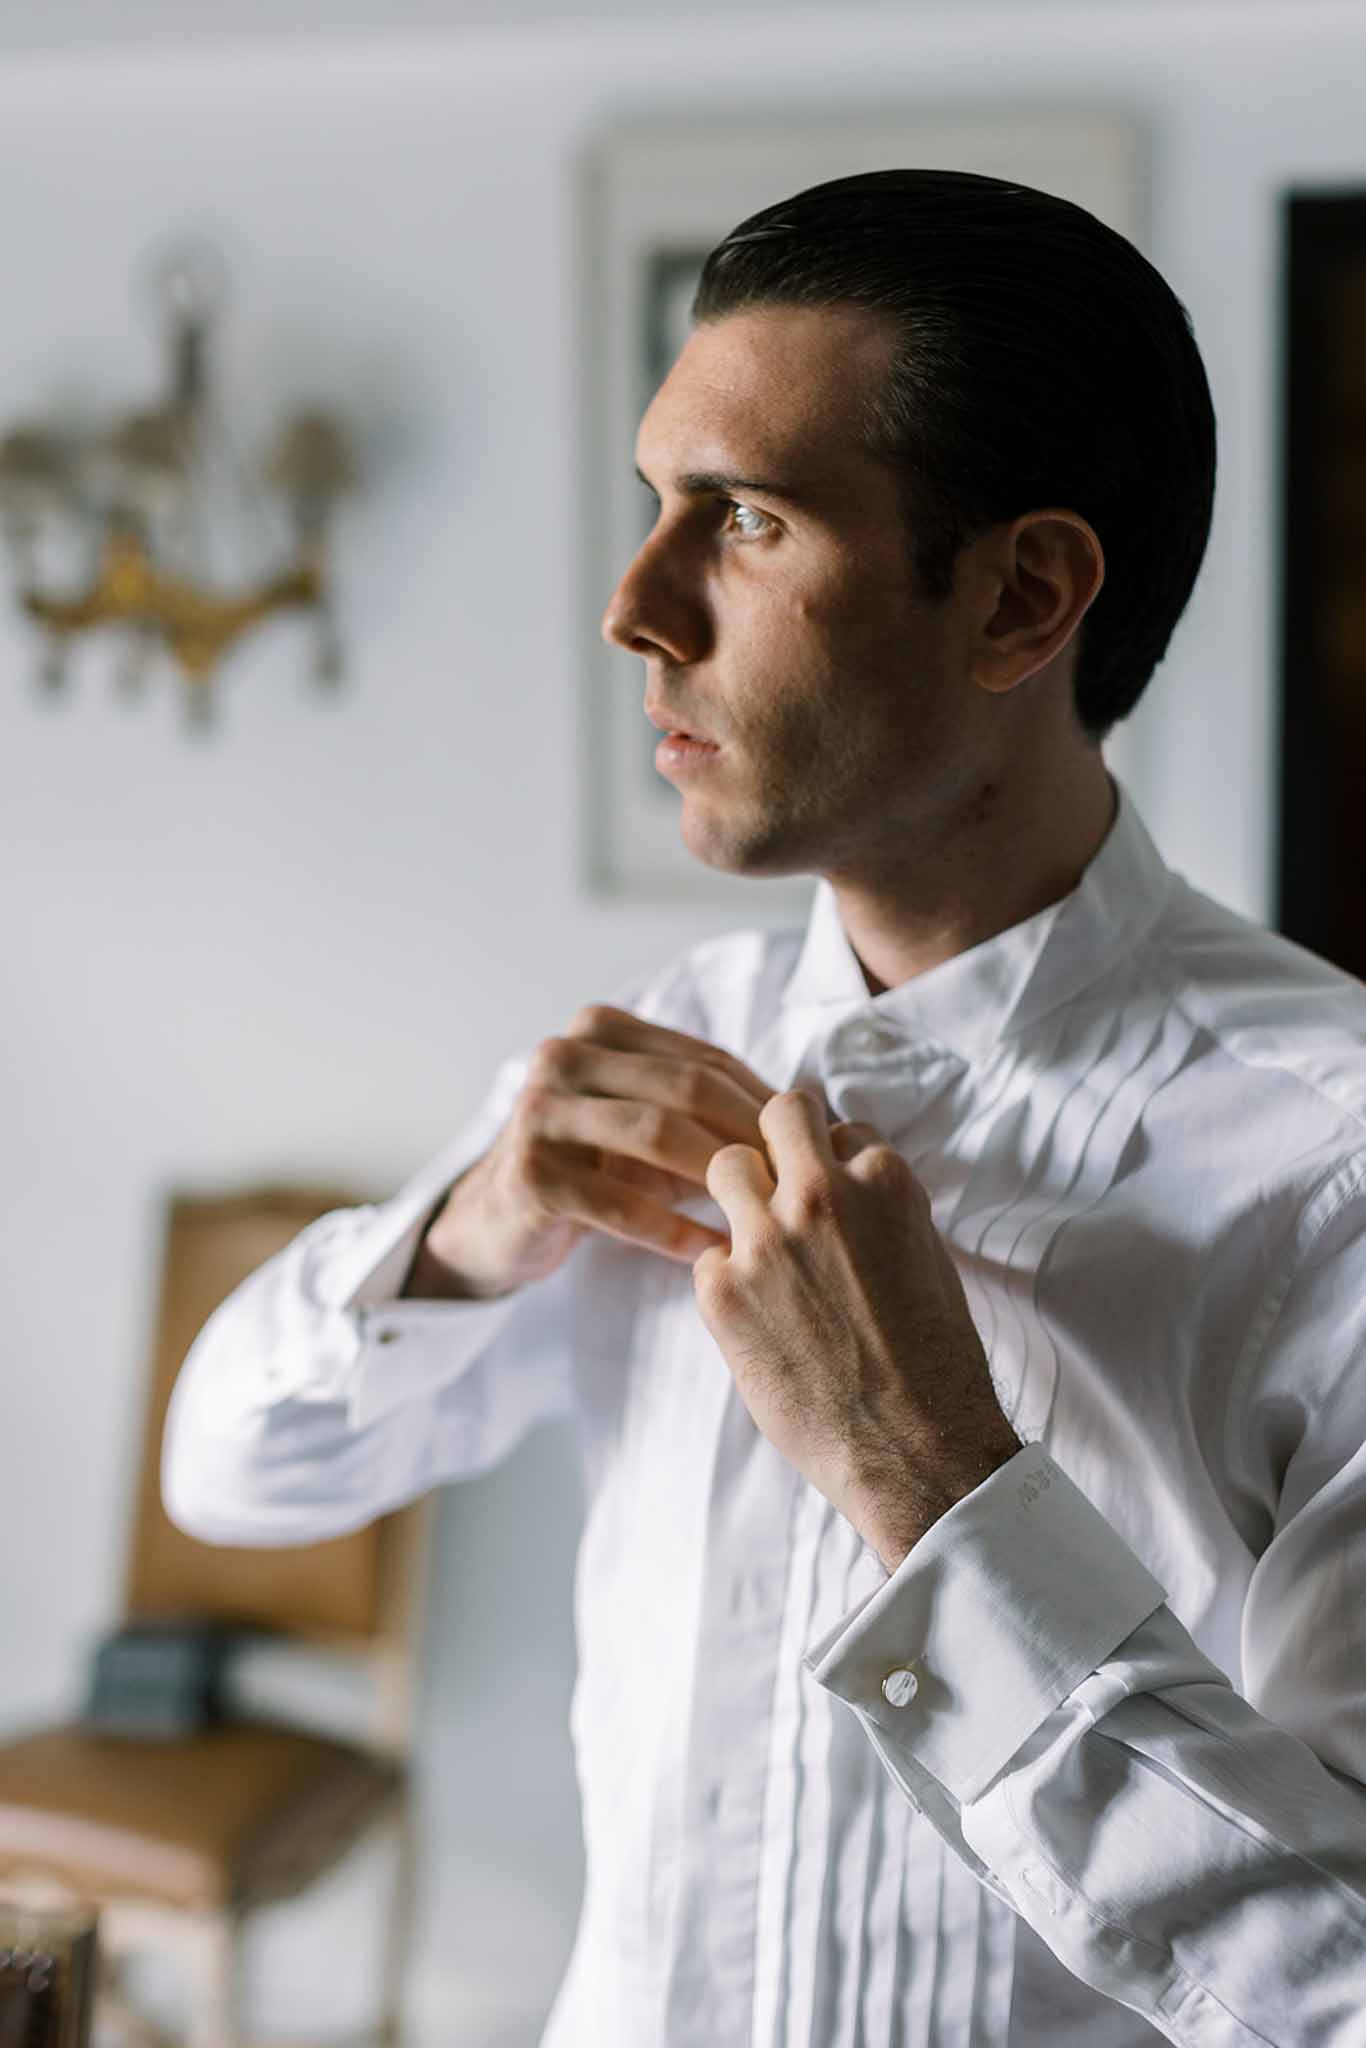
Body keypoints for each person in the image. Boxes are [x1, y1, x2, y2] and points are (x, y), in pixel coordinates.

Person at [162, 169, 1366, 2045]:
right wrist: (471, 1231)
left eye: (744, 522)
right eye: (657, 508)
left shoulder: (1334, 1162)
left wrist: (931, 1478)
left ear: (1020, 595)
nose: (636, 609)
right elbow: (236, 1476)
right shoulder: (654, 1058)